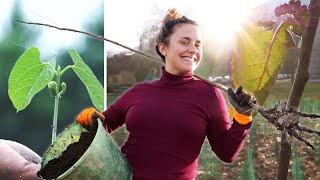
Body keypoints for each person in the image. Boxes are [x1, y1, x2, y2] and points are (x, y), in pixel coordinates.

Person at [77, 8, 255, 180]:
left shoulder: (209, 94)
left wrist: (242, 119)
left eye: (197, 44)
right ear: (163, 48)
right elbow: (104, 123)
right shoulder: (140, 92)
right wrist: (92, 120)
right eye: (184, 42)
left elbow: (226, 152)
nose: (193, 49)